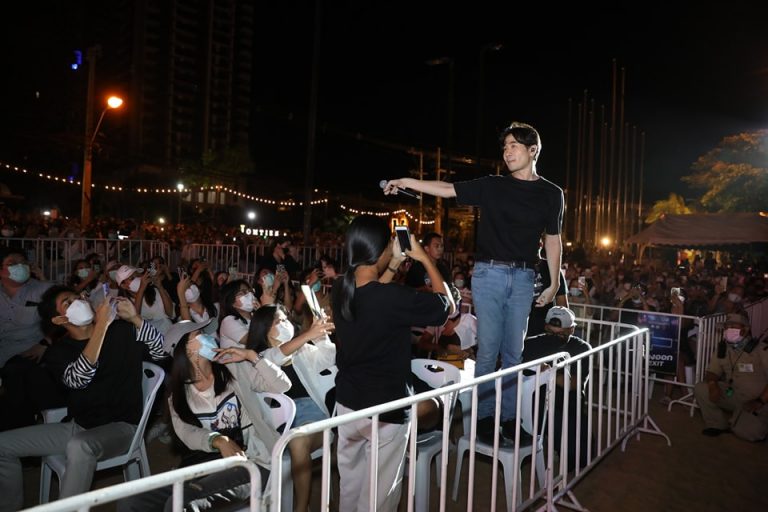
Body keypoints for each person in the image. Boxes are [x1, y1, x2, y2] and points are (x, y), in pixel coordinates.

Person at [384, 121, 564, 445]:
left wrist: (553, 285)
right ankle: (484, 419)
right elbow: (447, 188)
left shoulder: (552, 194)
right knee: (488, 350)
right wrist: (405, 181)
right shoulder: (493, 185)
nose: (507, 152)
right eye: (505, 146)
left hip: (525, 277)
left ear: (533, 150)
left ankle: (509, 420)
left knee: (514, 353)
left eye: (514, 145)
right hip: (489, 274)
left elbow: (553, 239)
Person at [0, 286, 165, 510]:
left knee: (80, 446)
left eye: (78, 297)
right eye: (68, 302)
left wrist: (136, 319)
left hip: (122, 427)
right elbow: (78, 379)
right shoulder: (59, 352)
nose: (79, 301)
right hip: (80, 426)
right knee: (3, 445)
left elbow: (162, 352)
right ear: (59, 320)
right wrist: (101, 327)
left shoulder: (121, 331)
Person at [331, 215, 453, 511]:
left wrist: (394, 265)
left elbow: (372, 294)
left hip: (347, 405)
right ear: (379, 250)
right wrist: (423, 257)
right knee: (379, 497)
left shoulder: (340, 288)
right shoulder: (392, 297)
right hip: (385, 408)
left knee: (350, 488)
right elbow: (446, 306)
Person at [118, 319, 292, 511]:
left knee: (182, 504)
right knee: (130, 502)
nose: (208, 336)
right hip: (206, 462)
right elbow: (186, 432)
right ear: (187, 351)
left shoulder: (234, 367)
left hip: (252, 461)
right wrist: (218, 440)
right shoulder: (179, 394)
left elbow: (282, 385)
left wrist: (252, 356)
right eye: (199, 334)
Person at [246, 304, 335, 512]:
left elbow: (328, 359)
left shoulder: (303, 350)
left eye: (286, 319)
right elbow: (275, 356)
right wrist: (307, 335)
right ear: (264, 329)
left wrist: (320, 335)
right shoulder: (258, 358)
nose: (285, 324)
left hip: (310, 414)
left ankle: (301, 507)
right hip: (274, 422)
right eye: (278, 321)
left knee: (298, 442)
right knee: (292, 441)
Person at [523, 306, 592, 471]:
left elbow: (574, 385)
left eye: (560, 335)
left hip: (564, 403)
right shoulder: (530, 344)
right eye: (550, 333)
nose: (553, 338)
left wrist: (550, 372)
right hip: (533, 401)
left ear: (571, 330)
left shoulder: (581, 348)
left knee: (577, 460)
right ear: (545, 327)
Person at [0, 247, 61, 431]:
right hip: (4, 352)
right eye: (13, 263)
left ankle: (20, 435)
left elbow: (64, 319)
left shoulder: (44, 290)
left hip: (34, 351)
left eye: (23, 262)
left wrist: (45, 343)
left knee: (18, 373)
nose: (20, 266)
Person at [694, 312, 768, 441]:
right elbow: (712, 372)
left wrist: (760, 401)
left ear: (746, 329)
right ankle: (717, 424)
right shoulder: (723, 348)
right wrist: (712, 385)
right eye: (727, 326)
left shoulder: (761, 350)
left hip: (758, 400)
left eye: (734, 326)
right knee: (701, 388)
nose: (729, 329)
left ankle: (745, 420)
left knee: (749, 433)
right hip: (733, 394)